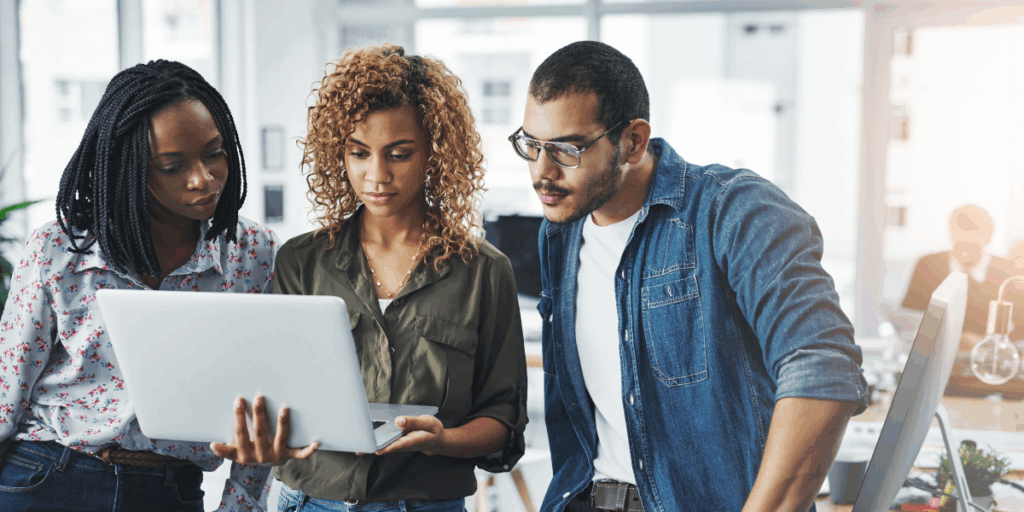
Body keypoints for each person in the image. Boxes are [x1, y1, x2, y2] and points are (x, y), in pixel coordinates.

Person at [510, 41, 868, 512]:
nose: (542, 172)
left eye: (567, 149)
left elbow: (821, 364)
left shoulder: (734, 212)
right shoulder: (560, 232)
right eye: (531, 145)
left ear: (634, 141)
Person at [213, 44, 528, 512]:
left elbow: (503, 418)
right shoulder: (302, 261)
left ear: (434, 155)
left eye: (398, 154)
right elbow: (275, 392)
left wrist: (442, 440)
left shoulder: (484, 271)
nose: (376, 175)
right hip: (310, 501)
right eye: (359, 153)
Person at [0, 60, 281, 510]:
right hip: (46, 475)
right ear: (127, 170)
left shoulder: (254, 255)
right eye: (172, 166)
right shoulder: (58, 250)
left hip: (170, 489)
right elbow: (6, 391)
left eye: (215, 153)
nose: (203, 179)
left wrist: (239, 503)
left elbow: (267, 401)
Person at [901, 205, 1021, 348]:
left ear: (988, 239)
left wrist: (986, 341)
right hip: (935, 349)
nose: (965, 254)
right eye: (960, 244)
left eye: (973, 245)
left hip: (988, 354)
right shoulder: (928, 265)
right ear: (951, 236)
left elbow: (1021, 325)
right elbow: (910, 314)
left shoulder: (1007, 270)